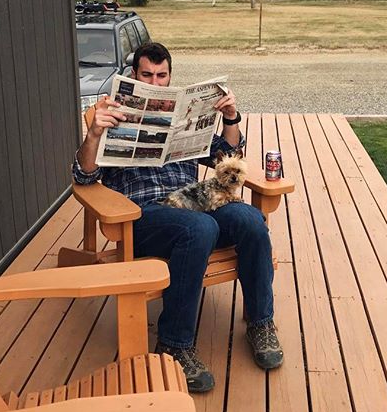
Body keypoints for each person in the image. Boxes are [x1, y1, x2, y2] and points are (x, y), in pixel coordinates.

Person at [73, 42, 283, 392]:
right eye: (146, 75)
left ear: (170, 76)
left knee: (249, 220)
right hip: (145, 215)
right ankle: (174, 341)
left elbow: (227, 154)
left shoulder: (181, 116)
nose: (155, 81)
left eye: (161, 75)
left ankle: (262, 322)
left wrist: (230, 117)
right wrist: (94, 133)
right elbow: (84, 177)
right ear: (133, 76)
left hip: (198, 202)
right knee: (199, 229)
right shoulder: (111, 119)